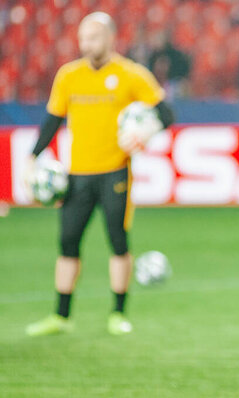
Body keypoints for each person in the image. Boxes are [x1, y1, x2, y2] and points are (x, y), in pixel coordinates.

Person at [25, 12, 174, 336]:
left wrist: (145, 135)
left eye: (92, 37)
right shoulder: (69, 75)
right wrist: (32, 155)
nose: (85, 44)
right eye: (82, 38)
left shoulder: (131, 74)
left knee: (118, 242)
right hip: (77, 174)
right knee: (67, 243)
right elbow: (53, 120)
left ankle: (117, 314)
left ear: (109, 37)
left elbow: (166, 112)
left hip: (114, 171)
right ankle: (61, 316)